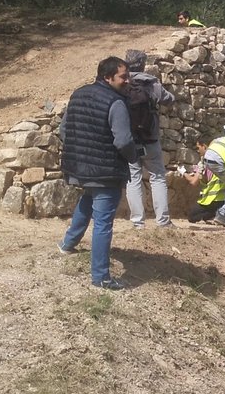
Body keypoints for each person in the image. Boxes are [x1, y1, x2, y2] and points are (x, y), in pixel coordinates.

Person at [58, 57, 137, 290]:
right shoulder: (116, 103)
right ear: (108, 77)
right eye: (123, 77)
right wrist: (134, 157)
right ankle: (101, 277)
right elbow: (123, 141)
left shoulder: (78, 94)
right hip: (106, 171)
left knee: (87, 199)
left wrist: (82, 151)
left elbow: (64, 129)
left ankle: (67, 244)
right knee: (103, 223)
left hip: (80, 166)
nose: (128, 81)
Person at [123, 49, 174, 229]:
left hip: (130, 140)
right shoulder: (151, 83)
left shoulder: (123, 84)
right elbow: (169, 99)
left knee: (133, 179)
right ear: (143, 64)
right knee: (158, 177)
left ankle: (138, 223)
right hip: (150, 138)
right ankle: (163, 221)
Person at [182, 139, 225, 222]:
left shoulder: (204, 161)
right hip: (224, 199)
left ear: (204, 146)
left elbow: (193, 182)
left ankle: (214, 216)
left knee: (192, 216)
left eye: (198, 147)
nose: (198, 151)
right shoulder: (222, 159)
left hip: (211, 200)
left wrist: (183, 172)